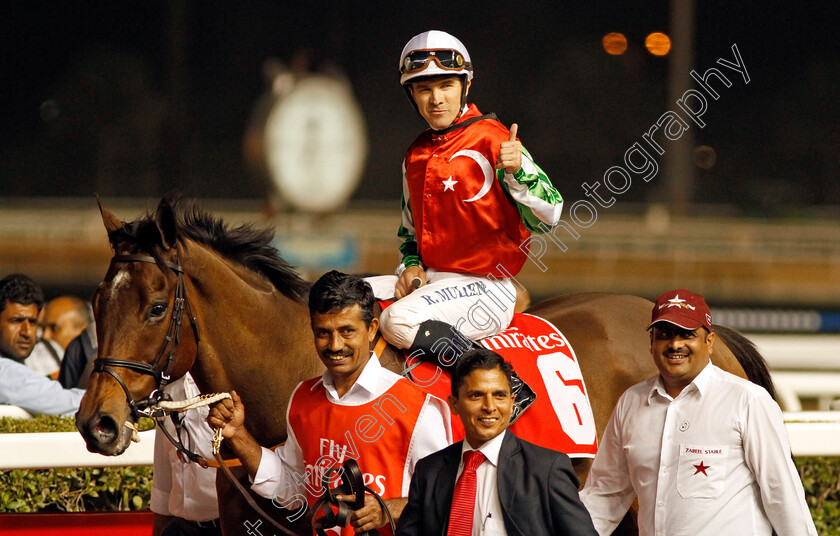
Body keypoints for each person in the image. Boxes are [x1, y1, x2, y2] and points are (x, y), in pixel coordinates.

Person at [368, 29, 563, 419]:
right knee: (346, 294)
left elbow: (551, 217)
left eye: (445, 86)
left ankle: (504, 383)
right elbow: (409, 234)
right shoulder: (415, 155)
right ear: (412, 95)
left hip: (488, 288)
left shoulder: (495, 140)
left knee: (397, 321)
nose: (436, 98)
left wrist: (519, 170)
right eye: (424, 89)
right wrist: (410, 268)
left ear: (464, 85)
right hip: (436, 281)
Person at [208, 271, 452, 534]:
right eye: (323, 332)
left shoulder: (419, 408)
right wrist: (238, 435)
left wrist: (387, 509)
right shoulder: (302, 398)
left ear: (371, 330)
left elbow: (446, 499)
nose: (335, 345)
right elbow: (293, 489)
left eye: (347, 331)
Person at [579, 289, 817, 535]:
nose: (675, 344)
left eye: (686, 334)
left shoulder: (748, 400)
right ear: (651, 343)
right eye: (664, 335)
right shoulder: (630, 403)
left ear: (709, 342)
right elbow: (604, 497)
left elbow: (784, 497)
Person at [397, 348, 596, 536]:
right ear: (454, 404)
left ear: (511, 404)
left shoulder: (547, 469)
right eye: (477, 395)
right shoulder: (429, 471)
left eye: (499, 396)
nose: (490, 406)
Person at [0, 274, 85, 416]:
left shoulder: (49, 352)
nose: (26, 332)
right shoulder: (4, 371)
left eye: (32, 322)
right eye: (16, 321)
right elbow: (61, 402)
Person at [152, 373, 221, 536]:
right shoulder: (169, 390)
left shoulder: (235, 384)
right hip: (180, 527)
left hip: (227, 527)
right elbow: (163, 482)